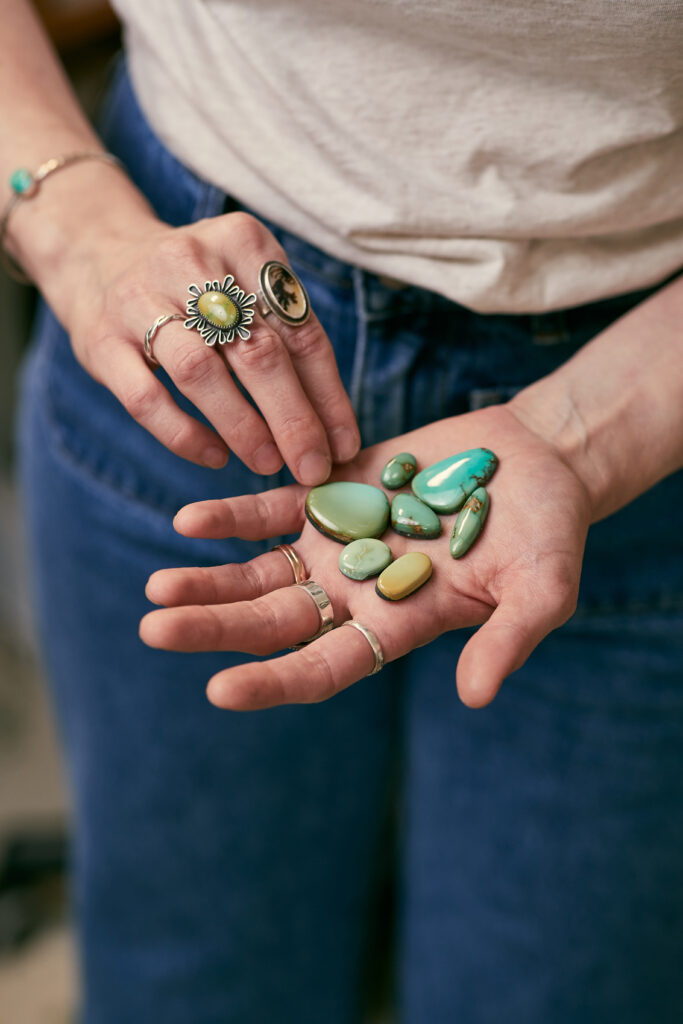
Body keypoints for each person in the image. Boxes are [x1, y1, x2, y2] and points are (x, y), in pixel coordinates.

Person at [5, 0, 683, 1021]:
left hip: (649, 378)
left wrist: (586, 436)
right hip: (181, 316)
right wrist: (65, 215)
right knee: (186, 980)